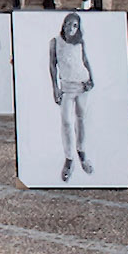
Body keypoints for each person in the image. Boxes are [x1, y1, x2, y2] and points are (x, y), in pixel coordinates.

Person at [49, 12, 95, 181]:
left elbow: (85, 61)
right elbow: (52, 66)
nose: (71, 28)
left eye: (74, 25)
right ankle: (69, 158)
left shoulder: (80, 42)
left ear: (78, 27)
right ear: (63, 25)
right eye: (68, 24)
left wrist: (92, 79)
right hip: (66, 87)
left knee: (81, 119)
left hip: (82, 84)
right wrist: (55, 88)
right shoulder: (55, 42)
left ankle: (81, 152)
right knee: (66, 122)